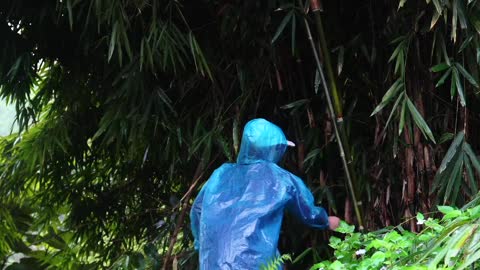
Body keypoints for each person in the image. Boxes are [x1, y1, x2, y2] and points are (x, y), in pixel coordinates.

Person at [190, 118, 340, 269]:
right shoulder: (279, 178)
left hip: (213, 262)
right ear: (272, 150)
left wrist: (201, 242)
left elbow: (197, 210)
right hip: (253, 261)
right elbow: (307, 210)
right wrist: (326, 221)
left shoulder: (221, 173)